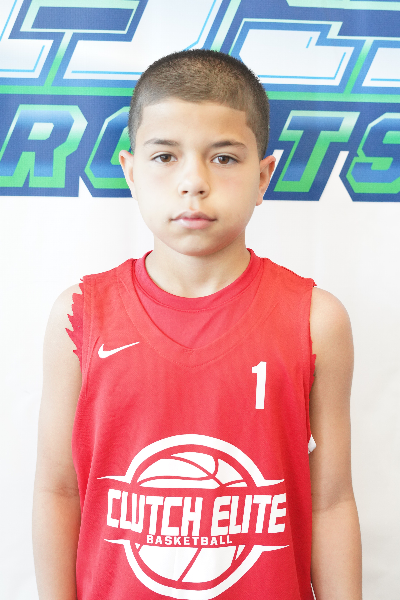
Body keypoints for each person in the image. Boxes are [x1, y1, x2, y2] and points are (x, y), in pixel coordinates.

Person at [33, 50, 362, 600]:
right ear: (131, 171)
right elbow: (59, 490)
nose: (194, 182)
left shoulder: (315, 319)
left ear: (263, 176)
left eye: (224, 158)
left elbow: (330, 502)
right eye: (165, 156)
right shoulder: (80, 315)